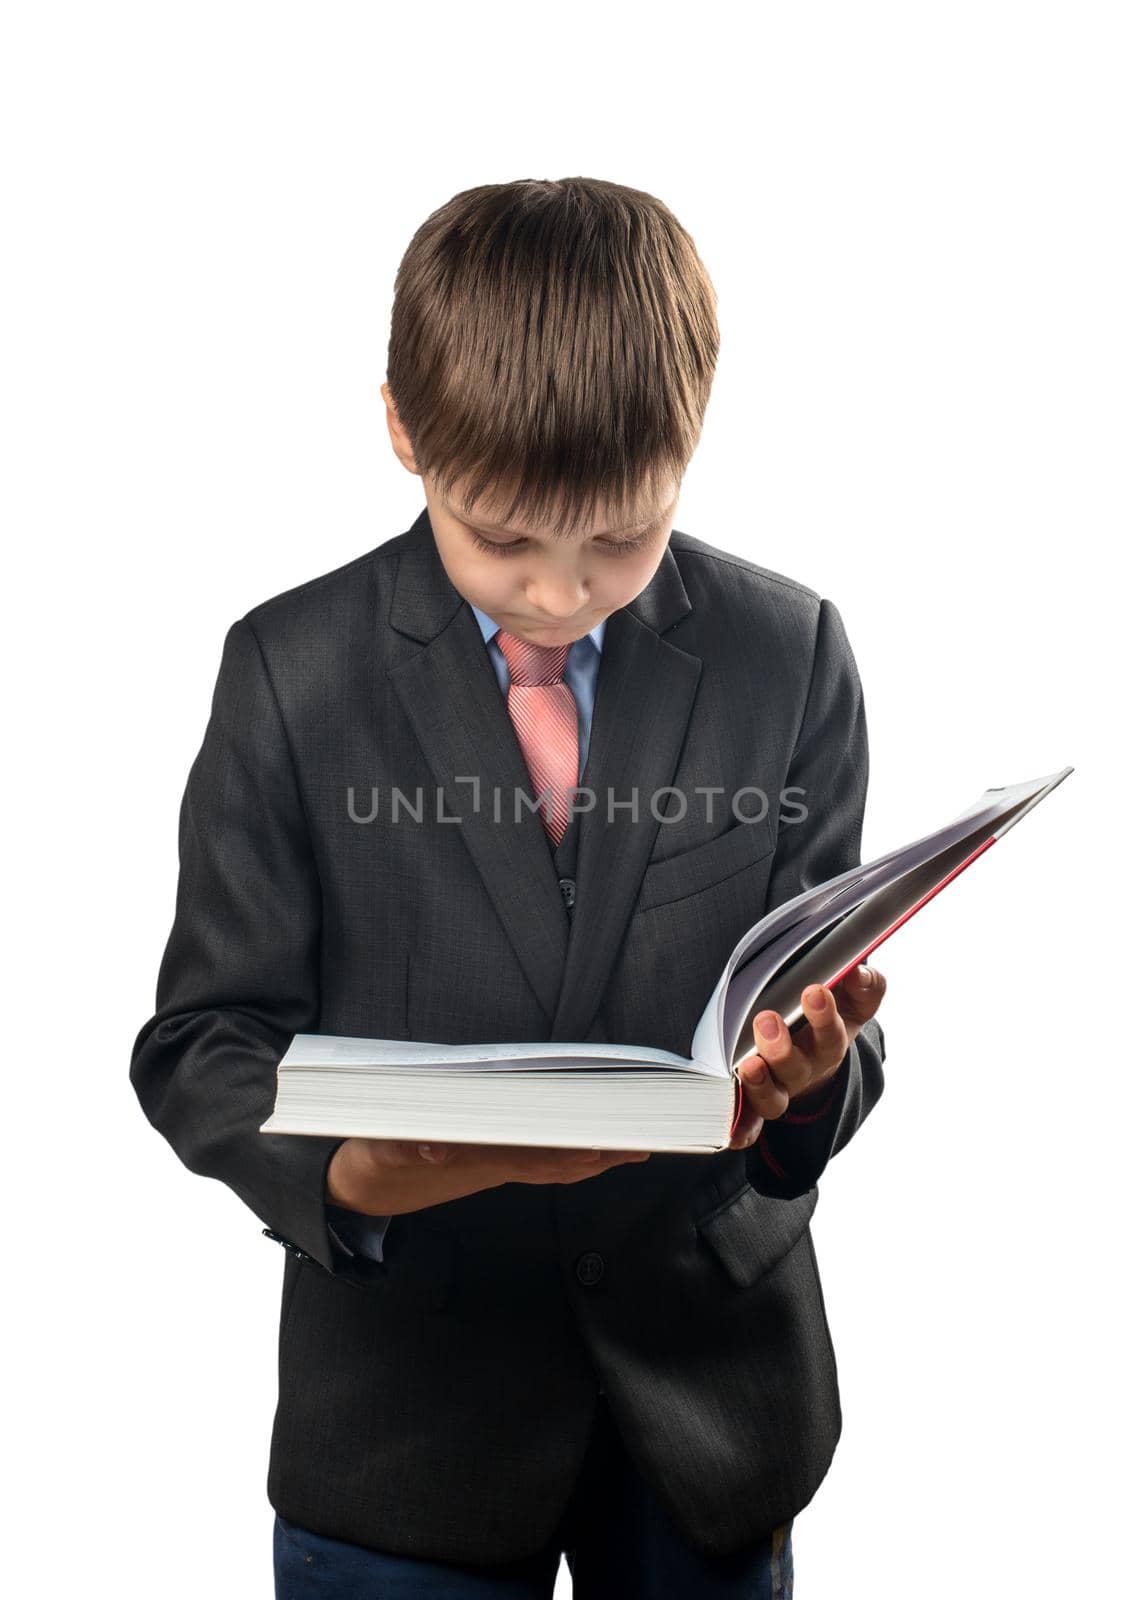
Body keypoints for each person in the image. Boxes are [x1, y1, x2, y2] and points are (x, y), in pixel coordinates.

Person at [130, 176, 887, 1599]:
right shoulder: (293, 674)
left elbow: (823, 1014)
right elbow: (201, 1045)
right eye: (502, 540)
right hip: (407, 1426)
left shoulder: (790, 652)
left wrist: (809, 1082)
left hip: (711, 1417)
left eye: (620, 538)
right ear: (405, 435)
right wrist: (355, 1178)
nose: (558, 595)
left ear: (690, 445)